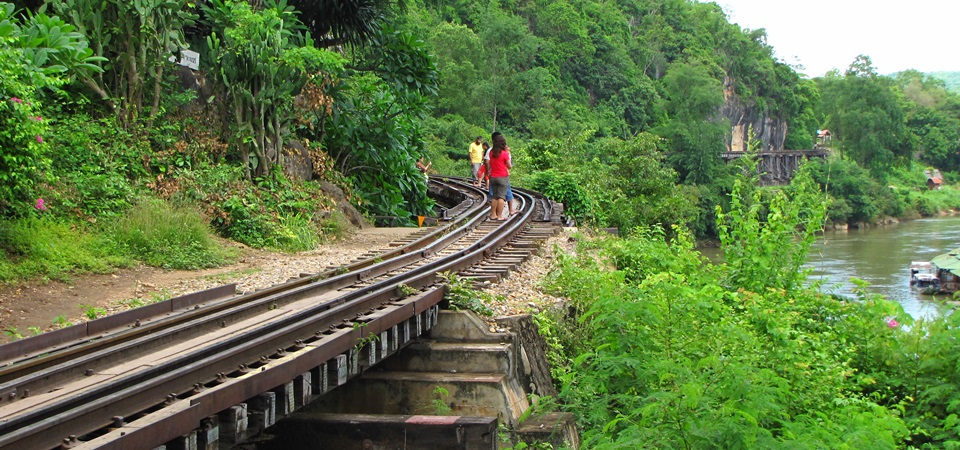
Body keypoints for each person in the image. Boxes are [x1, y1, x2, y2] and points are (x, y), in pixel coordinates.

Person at [483, 132, 512, 220]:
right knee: (501, 197)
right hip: (502, 177)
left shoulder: (491, 152)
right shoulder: (504, 153)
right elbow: (509, 166)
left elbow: (488, 162)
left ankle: (493, 215)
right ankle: (499, 216)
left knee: (495, 196)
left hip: (493, 177)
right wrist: (507, 153)